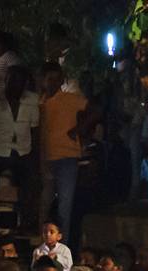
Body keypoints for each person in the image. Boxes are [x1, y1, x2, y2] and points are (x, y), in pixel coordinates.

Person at [0, 65, 39, 232]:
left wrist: (34, 154)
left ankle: (26, 222)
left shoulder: (32, 100)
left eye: (19, 82)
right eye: (12, 81)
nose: (15, 85)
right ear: (6, 81)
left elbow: (34, 129)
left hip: (22, 150)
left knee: (31, 177)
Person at [38, 62, 92, 239]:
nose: (52, 83)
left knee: (64, 205)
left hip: (67, 157)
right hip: (46, 157)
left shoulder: (69, 100)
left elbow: (93, 109)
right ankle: (43, 242)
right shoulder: (40, 102)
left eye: (56, 79)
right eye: (49, 79)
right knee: (44, 203)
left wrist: (79, 128)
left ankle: (63, 246)